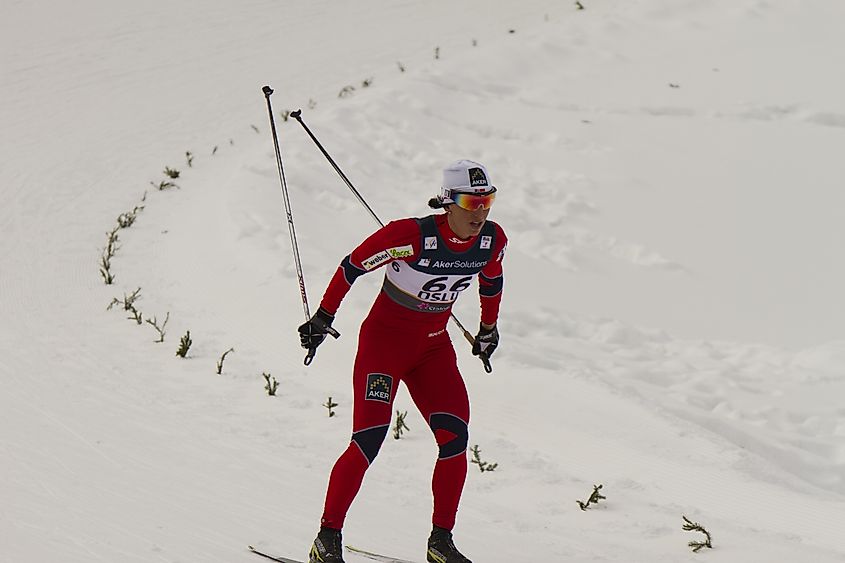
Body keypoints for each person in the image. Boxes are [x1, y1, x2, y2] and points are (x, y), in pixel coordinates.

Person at [299, 160, 507, 563]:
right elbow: (352, 266)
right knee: (368, 439)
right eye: (470, 202)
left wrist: (488, 330)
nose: (480, 212)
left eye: (487, 201)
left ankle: (440, 542)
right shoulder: (410, 235)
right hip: (385, 347)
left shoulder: (491, 241)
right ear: (447, 203)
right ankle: (327, 538)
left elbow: (492, 281)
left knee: (455, 439)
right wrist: (323, 317)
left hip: (433, 350)